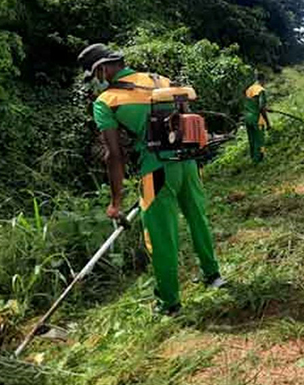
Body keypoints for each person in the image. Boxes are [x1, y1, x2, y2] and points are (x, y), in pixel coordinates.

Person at [78, 43, 226, 316]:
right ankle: (213, 275)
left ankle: (169, 303)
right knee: (197, 219)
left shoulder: (106, 102)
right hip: (188, 162)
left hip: (156, 170)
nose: (96, 82)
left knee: (160, 236)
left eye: (95, 75)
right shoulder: (159, 80)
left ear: (103, 68)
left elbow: (114, 155)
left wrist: (116, 202)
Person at [244, 73, 271, 163]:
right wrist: (268, 123)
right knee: (259, 139)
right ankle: (259, 161)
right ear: (263, 80)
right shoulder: (260, 90)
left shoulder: (249, 89)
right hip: (257, 118)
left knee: (252, 139)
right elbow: (261, 107)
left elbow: (252, 104)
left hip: (247, 118)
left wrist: (265, 108)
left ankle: (253, 160)